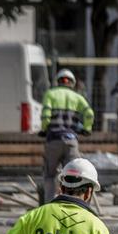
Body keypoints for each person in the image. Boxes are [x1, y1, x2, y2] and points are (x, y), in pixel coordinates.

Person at [39, 70, 94, 202]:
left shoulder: (50, 94)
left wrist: (44, 128)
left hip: (54, 140)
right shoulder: (77, 97)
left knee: (50, 175)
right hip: (71, 141)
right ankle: (74, 203)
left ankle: (49, 204)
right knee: (74, 175)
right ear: (72, 83)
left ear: (58, 81)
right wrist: (87, 128)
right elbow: (89, 114)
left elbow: (46, 115)